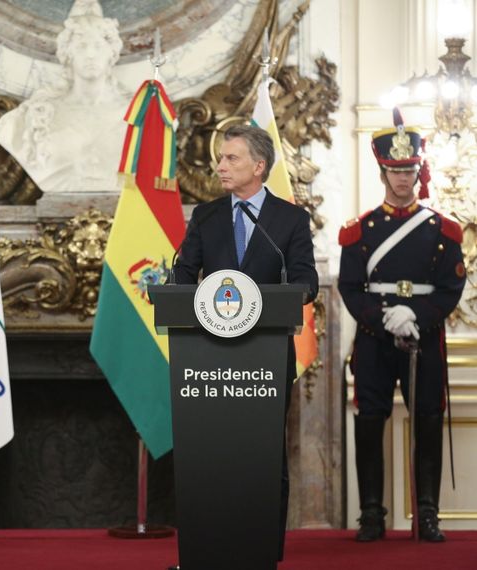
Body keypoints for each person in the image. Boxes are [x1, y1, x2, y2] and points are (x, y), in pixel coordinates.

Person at [173, 124, 318, 562]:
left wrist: (293, 294)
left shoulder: (289, 219)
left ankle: (262, 550)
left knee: (264, 457)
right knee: (212, 454)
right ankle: (208, 548)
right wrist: (171, 290)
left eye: (231, 158)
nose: (220, 166)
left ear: (259, 166)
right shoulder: (207, 216)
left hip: (266, 358)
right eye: (220, 158)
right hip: (209, 360)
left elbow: (305, 278)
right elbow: (184, 275)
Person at [338, 109, 465, 542]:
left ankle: (427, 513)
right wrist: (384, 318)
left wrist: (417, 316)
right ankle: (371, 513)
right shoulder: (359, 231)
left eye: (409, 169)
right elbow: (351, 288)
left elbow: (450, 287)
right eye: (394, 171)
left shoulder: (443, 229)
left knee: (427, 419)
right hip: (375, 340)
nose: (402, 179)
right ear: (383, 172)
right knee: (369, 421)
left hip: (425, 338)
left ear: (419, 170)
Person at [0, 0, 128, 193]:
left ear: (112, 53)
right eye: (81, 46)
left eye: (98, 45)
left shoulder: (140, 114)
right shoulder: (32, 117)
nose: (90, 54)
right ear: (67, 54)